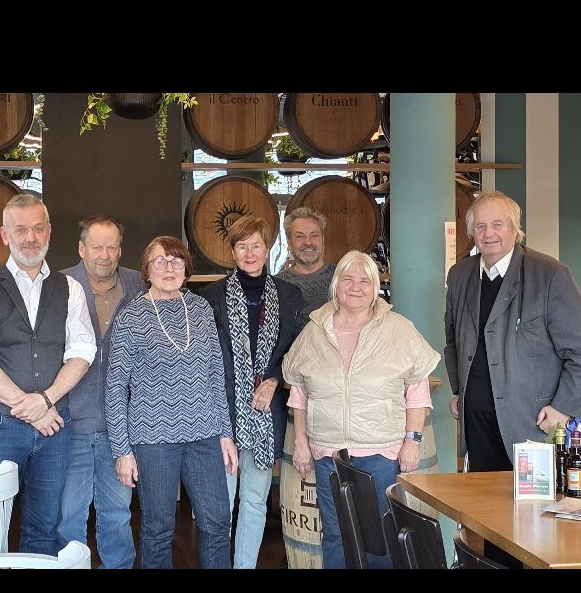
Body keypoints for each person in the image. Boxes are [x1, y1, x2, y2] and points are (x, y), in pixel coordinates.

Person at [445, 189, 581, 564]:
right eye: (481, 226)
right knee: (491, 521)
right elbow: (453, 340)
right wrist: (459, 390)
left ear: (515, 229)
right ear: (471, 232)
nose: (489, 233)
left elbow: (579, 351)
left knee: (536, 527)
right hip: (477, 421)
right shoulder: (460, 275)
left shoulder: (550, 275)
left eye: (498, 224)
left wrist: (562, 407)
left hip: (532, 425)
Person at [0, 193, 97, 555]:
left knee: (43, 528)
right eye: (21, 230)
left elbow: (83, 352)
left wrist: (46, 400)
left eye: (37, 228)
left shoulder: (70, 289)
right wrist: (31, 408)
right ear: (5, 236)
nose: (30, 237)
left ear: (49, 231)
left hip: (54, 428)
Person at [283, 250, 440, 569]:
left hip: (380, 454)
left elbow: (417, 389)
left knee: (380, 537)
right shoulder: (315, 329)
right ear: (336, 285)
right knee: (334, 534)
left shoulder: (399, 329)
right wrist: (300, 441)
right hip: (328, 454)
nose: (355, 287)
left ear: (375, 288)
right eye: (348, 279)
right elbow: (299, 390)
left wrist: (412, 440)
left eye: (364, 281)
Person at [105, 235, 238, 569]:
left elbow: (215, 374)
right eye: (160, 261)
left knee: (218, 522)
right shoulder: (131, 317)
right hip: (153, 439)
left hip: (204, 434)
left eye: (177, 261)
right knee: (158, 528)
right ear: (147, 270)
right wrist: (122, 451)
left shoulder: (201, 310)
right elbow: (116, 387)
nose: (169, 268)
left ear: (186, 268)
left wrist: (225, 433)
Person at [202, 216, 304, 568]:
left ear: (267, 247)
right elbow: (206, 357)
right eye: (242, 246)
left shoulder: (289, 295)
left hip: (265, 412)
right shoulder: (211, 296)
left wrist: (274, 378)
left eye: (256, 245)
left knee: (255, 500)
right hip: (223, 412)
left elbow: (296, 350)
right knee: (221, 502)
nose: (249, 253)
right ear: (232, 252)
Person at [56, 214, 144, 569]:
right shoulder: (59, 285)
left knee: (117, 514)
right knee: (69, 514)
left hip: (119, 427)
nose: (105, 255)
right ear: (82, 249)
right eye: (97, 247)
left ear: (120, 250)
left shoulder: (138, 285)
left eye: (112, 247)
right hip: (71, 422)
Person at [275, 207, 336, 322]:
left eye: (314, 235)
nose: (308, 242)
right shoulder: (277, 285)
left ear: (323, 240)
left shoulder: (343, 277)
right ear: (289, 243)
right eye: (299, 236)